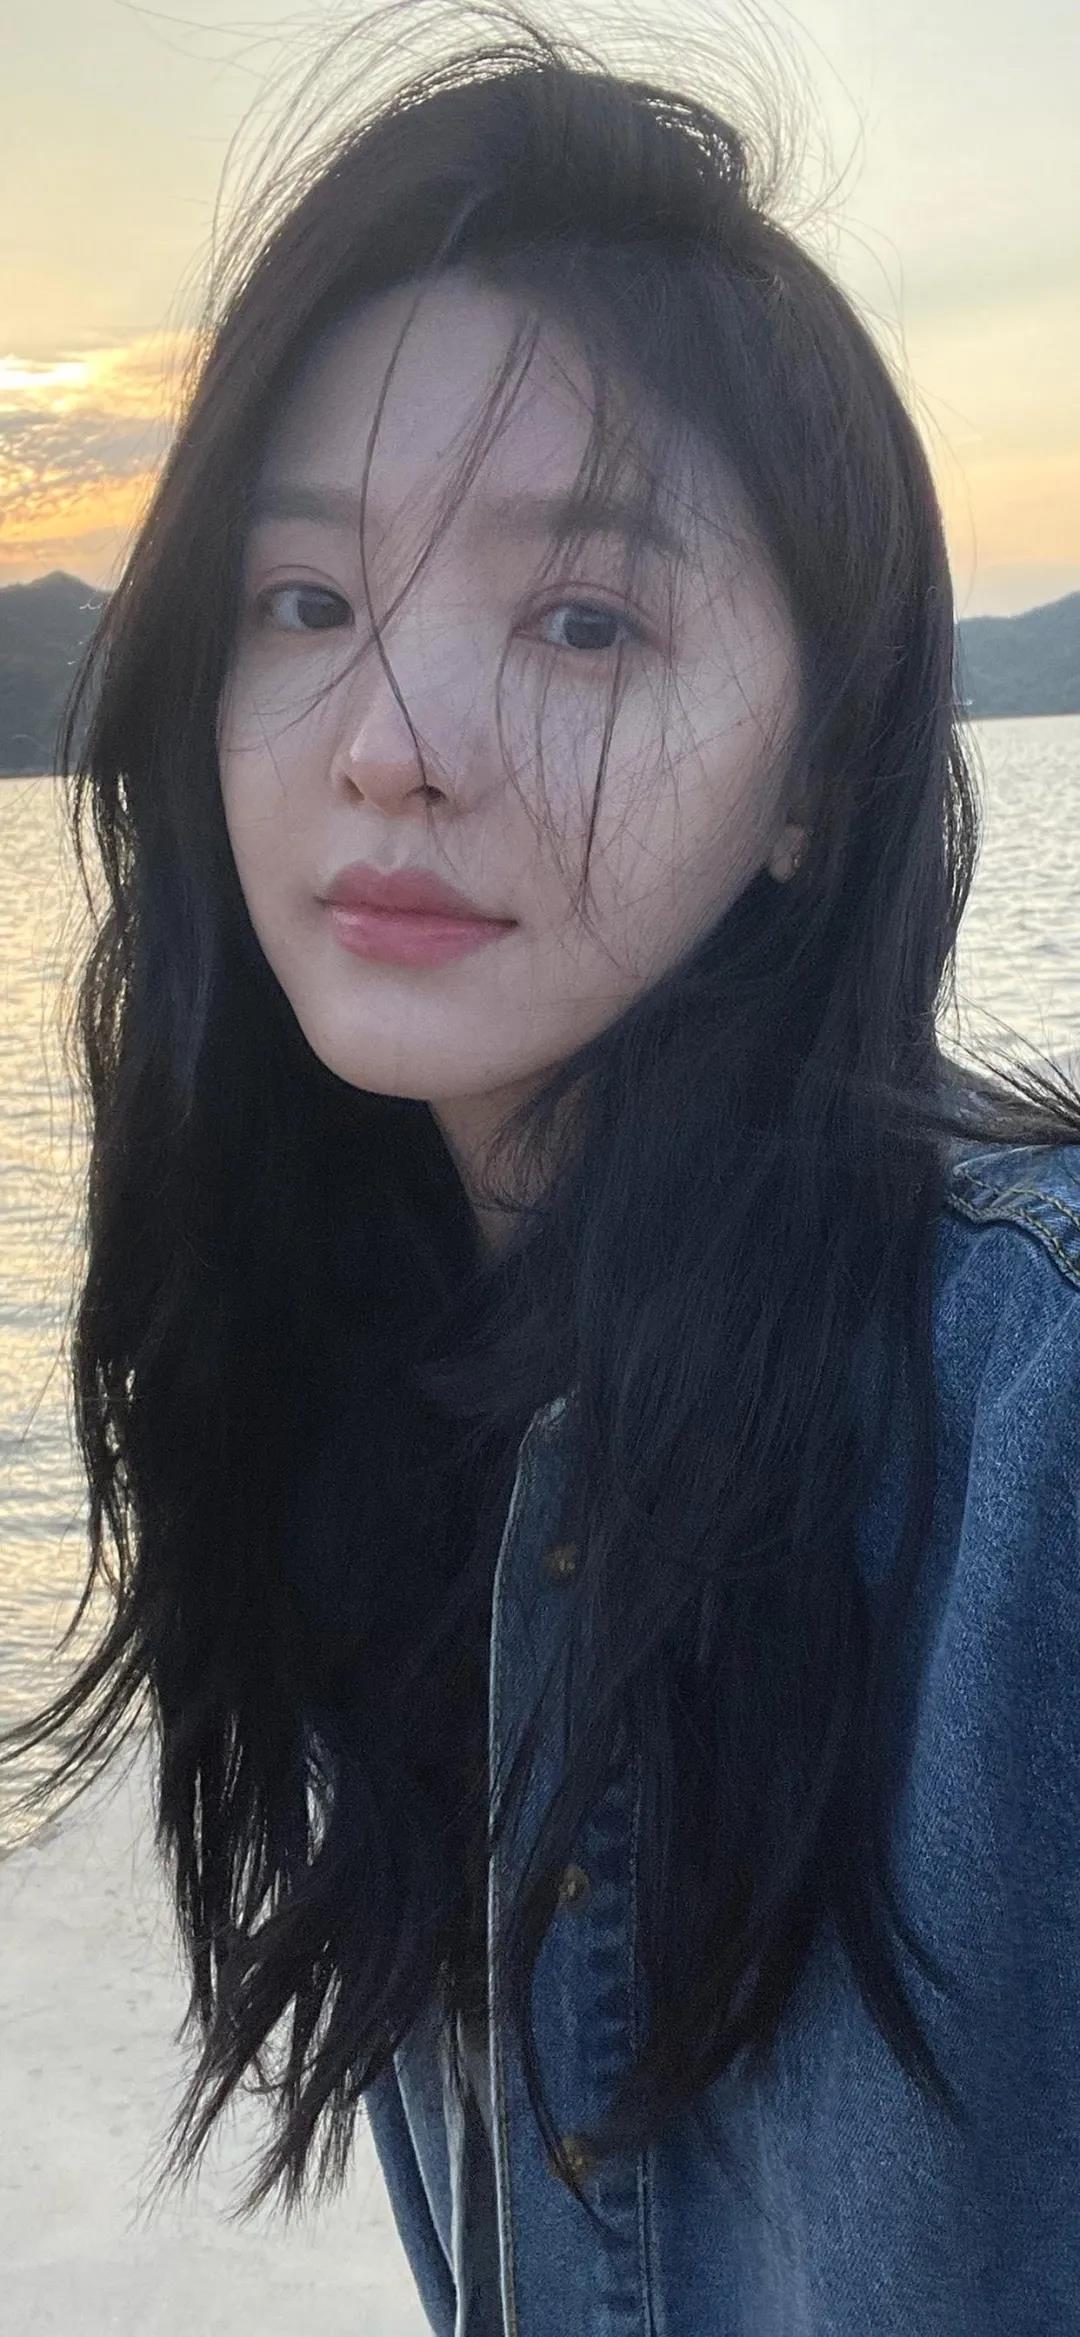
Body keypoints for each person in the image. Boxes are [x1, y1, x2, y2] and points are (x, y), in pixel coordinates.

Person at [3, 5, 1079, 2330]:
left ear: (816, 774)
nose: (390, 742)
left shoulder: (1036, 1438)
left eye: (583, 622)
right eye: (307, 603)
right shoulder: (360, 1383)